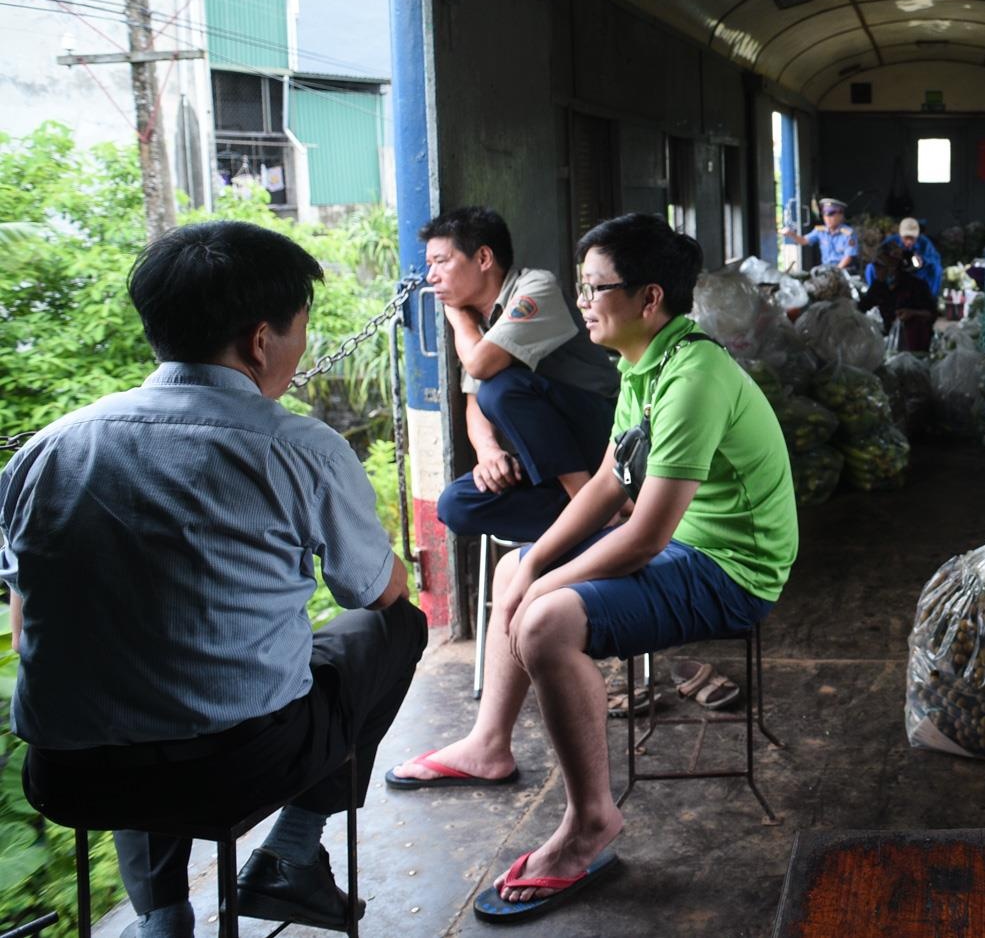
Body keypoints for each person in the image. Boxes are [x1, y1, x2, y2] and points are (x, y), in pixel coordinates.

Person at [0, 221, 426, 938]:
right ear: (261, 341)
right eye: (300, 331)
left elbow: (25, 622)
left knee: (127, 679)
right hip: (239, 768)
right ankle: (291, 852)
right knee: (396, 628)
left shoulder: (47, 450)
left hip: (68, 776)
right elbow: (380, 593)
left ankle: (162, 919)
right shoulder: (297, 447)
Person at [384, 214, 798, 925]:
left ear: (649, 298)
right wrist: (539, 560)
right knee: (517, 569)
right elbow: (609, 479)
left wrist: (546, 588)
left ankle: (589, 825)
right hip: (683, 546)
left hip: (733, 567)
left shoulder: (693, 376)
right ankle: (488, 746)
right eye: (581, 286)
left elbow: (642, 536)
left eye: (595, 288)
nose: (581, 303)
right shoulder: (644, 362)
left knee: (545, 621)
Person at [425, 206, 619, 542]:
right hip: (550, 458)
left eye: (441, 261)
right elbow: (473, 399)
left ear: (484, 257)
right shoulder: (478, 318)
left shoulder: (535, 287)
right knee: (455, 505)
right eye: (430, 265)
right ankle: (595, 523)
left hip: (602, 433)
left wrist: (458, 319)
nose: (431, 276)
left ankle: (593, 510)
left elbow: (480, 368)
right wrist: (488, 452)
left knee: (500, 389)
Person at [857, 240, 938, 351]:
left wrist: (912, 313)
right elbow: (862, 307)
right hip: (891, 340)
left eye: (879, 266)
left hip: (914, 343)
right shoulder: (879, 286)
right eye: (875, 265)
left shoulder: (916, 286)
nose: (875, 270)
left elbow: (931, 313)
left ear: (892, 267)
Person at [863, 216, 942, 295]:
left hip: (917, 272)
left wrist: (923, 260)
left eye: (912, 238)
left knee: (936, 269)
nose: (909, 242)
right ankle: (875, 295)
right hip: (895, 272)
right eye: (906, 238)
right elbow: (878, 256)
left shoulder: (924, 243)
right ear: (900, 235)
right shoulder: (891, 241)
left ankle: (930, 299)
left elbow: (935, 259)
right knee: (870, 268)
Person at [782, 196, 860, 269]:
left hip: (844, 269)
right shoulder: (820, 231)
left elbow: (848, 256)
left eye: (831, 214)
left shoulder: (848, 233)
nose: (827, 218)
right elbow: (804, 240)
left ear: (840, 215)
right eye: (824, 214)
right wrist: (792, 234)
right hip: (826, 269)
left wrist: (836, 271)